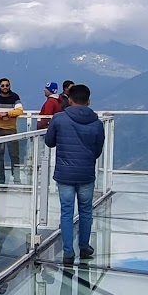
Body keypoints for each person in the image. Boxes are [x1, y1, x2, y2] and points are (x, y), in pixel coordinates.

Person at [45, 84, 106, 265]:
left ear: (69, 99)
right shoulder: (97, 123)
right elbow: (97, 149)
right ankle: (85, 247)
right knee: (86, 211)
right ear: (88, 101)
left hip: (64, 173)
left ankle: (68, 252)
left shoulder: (59, 119)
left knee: (67, 212)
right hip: (86, 172)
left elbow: (49, 142)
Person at [0, 77, 24, 183]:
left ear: (10, 86)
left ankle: (16, 178)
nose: (5, 87)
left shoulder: (15, 97)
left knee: (14, 155)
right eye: (3, 85)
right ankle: (1, 179)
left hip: (11, 130)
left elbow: (20, 110)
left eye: (7, 85)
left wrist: (7, 114)